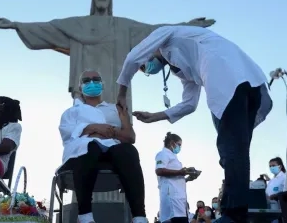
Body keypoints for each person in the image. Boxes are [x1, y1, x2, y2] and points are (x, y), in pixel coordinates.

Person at [116, 25, 273, 223]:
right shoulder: (182, 66)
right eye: (143, 69)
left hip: (228, 80)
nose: (146, 66)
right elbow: (190, 103)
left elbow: (132, 58)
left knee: (230, 149)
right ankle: (236, 211)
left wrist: (121, 93)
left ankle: (234, 214)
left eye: (144, 64)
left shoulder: (166, 33)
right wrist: (155, 116)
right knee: (236, 152)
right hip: (248, 84)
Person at [58, 69, 147, 223]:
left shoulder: (115, 109)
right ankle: (85, 215)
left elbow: (130, 137)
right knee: (89, 146)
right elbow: (67, 133)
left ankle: (139, 216)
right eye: (86, 80)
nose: (91, 82)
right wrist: (94, 127)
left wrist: (110, 132)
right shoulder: (72, 112)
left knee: (129, 151)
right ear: (80, 87)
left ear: (102, 84)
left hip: (113, 151)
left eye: (95, 79)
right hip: (83, 153)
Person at [155, 132, 199, 223]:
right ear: (172, 143)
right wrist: (180, 172)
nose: (179, 147)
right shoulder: (163, 154)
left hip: (180, 199)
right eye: (179, 145)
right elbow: (159, 171)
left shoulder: (173, 157)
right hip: (172, 198)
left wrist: (187, 178)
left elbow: (175, 179)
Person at [263, 157, 287, 223]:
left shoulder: (285, 177)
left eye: (273, 165)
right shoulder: (272, 180)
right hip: (270, 209)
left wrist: (275, 196)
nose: (271, 167)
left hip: (280, 210)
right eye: (270, 166)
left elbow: (286, 192)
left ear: (280, 166)